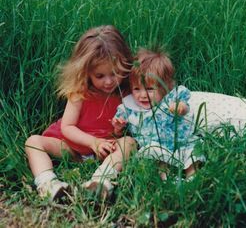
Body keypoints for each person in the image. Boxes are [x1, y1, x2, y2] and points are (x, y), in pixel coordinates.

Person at [25, 25, 136, 201]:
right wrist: (93, 142)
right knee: (33, 142)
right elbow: (67, 127)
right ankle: (48, 184)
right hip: (72, 148)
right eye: (99, 76)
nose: (108, 81)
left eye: (115, 73)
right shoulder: (80, 93)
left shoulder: (126, 93)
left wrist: (118, 131)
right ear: (86, 72)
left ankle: (102, 180)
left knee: (129, 143)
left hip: (106, 148)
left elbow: (123, 130)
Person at [112, 48, 205, 181]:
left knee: (194, 149)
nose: (142, 95)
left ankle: (192, 177)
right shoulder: (129, 108)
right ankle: (165, 179)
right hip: (155, 146)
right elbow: (119, 132)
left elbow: (185, 107)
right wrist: (118, 127)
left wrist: (180, 107)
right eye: (136, 89)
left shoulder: (171, 98)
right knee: (154, 153)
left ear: (164, 87)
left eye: (150, 89)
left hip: (180, 142)